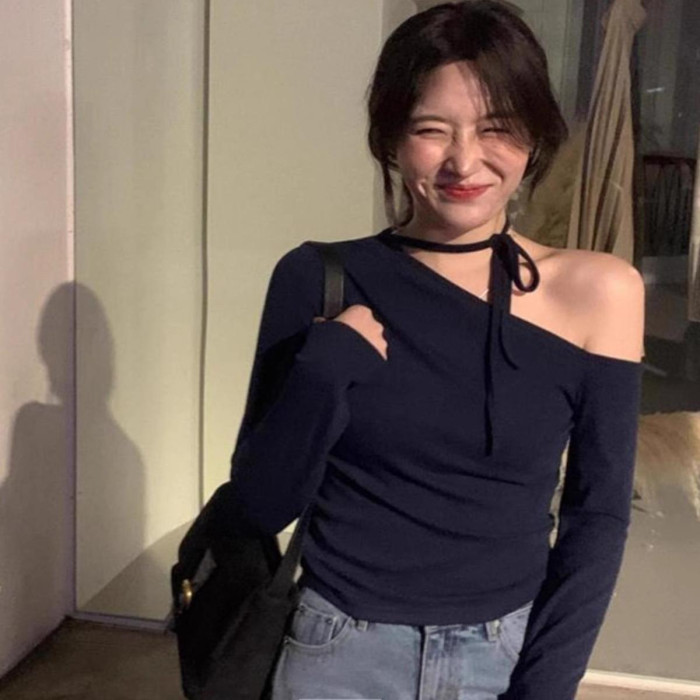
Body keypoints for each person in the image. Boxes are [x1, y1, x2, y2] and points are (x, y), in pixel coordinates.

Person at [228, 1, 645, 698]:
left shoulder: (599, 293)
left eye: (496, 128)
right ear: (391, 138)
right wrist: (322, 375)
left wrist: (545, 686)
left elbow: (597, 515)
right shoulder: (319, 278)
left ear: (535, 137)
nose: (465, 161)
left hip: (502, 653)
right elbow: (260, 507)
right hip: (337, 652)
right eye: (431, 129)